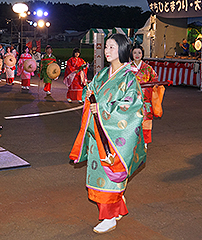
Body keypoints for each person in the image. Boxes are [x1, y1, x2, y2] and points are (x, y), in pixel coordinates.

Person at [69, 33, 146, 234]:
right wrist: (89, 97)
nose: (107, 51)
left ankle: (109, 217)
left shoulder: (129, 77)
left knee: (109, 176)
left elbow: (133, 108)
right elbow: (93, 92)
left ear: (121, 50)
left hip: (114, 137)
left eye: (112, 47)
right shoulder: (103, 74)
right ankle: (117, 208)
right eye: (106, 47)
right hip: (98, 134)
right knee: (101, 176)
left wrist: (102, 111)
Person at [130, 45, 159, 146]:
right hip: (132, 100)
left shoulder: (148, 68)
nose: (137, 55)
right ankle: (132, 142)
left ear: (142, 54)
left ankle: (145, 143)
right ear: (131, 54)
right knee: (132, 121)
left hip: (145, 100)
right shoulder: (128, 68)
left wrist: (154, 85)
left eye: (139, 53)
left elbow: (155, 79)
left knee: (146, 121)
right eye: (135, 53)